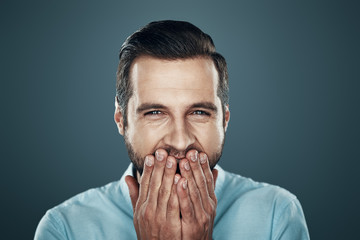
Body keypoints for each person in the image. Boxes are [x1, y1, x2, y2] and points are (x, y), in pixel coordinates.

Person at [35, 20, 310, 239]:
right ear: (121, 118)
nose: (180, 141)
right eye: (155, 112)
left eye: (199, 112)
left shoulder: (277, 214)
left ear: (225, 119)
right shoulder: (65, 229)